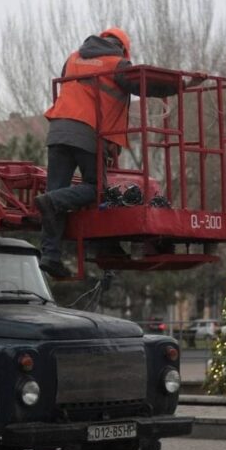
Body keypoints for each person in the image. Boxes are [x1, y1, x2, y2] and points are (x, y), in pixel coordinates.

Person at [34, 27, 203, 278]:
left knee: (56, 191)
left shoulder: (72, 58)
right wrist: (184, 84)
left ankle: (50, 255)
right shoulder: (117, 64)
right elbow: (147, 84)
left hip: (58, 130)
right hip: (88, 133)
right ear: (123, 48)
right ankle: (53, 202)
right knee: (96, 189)